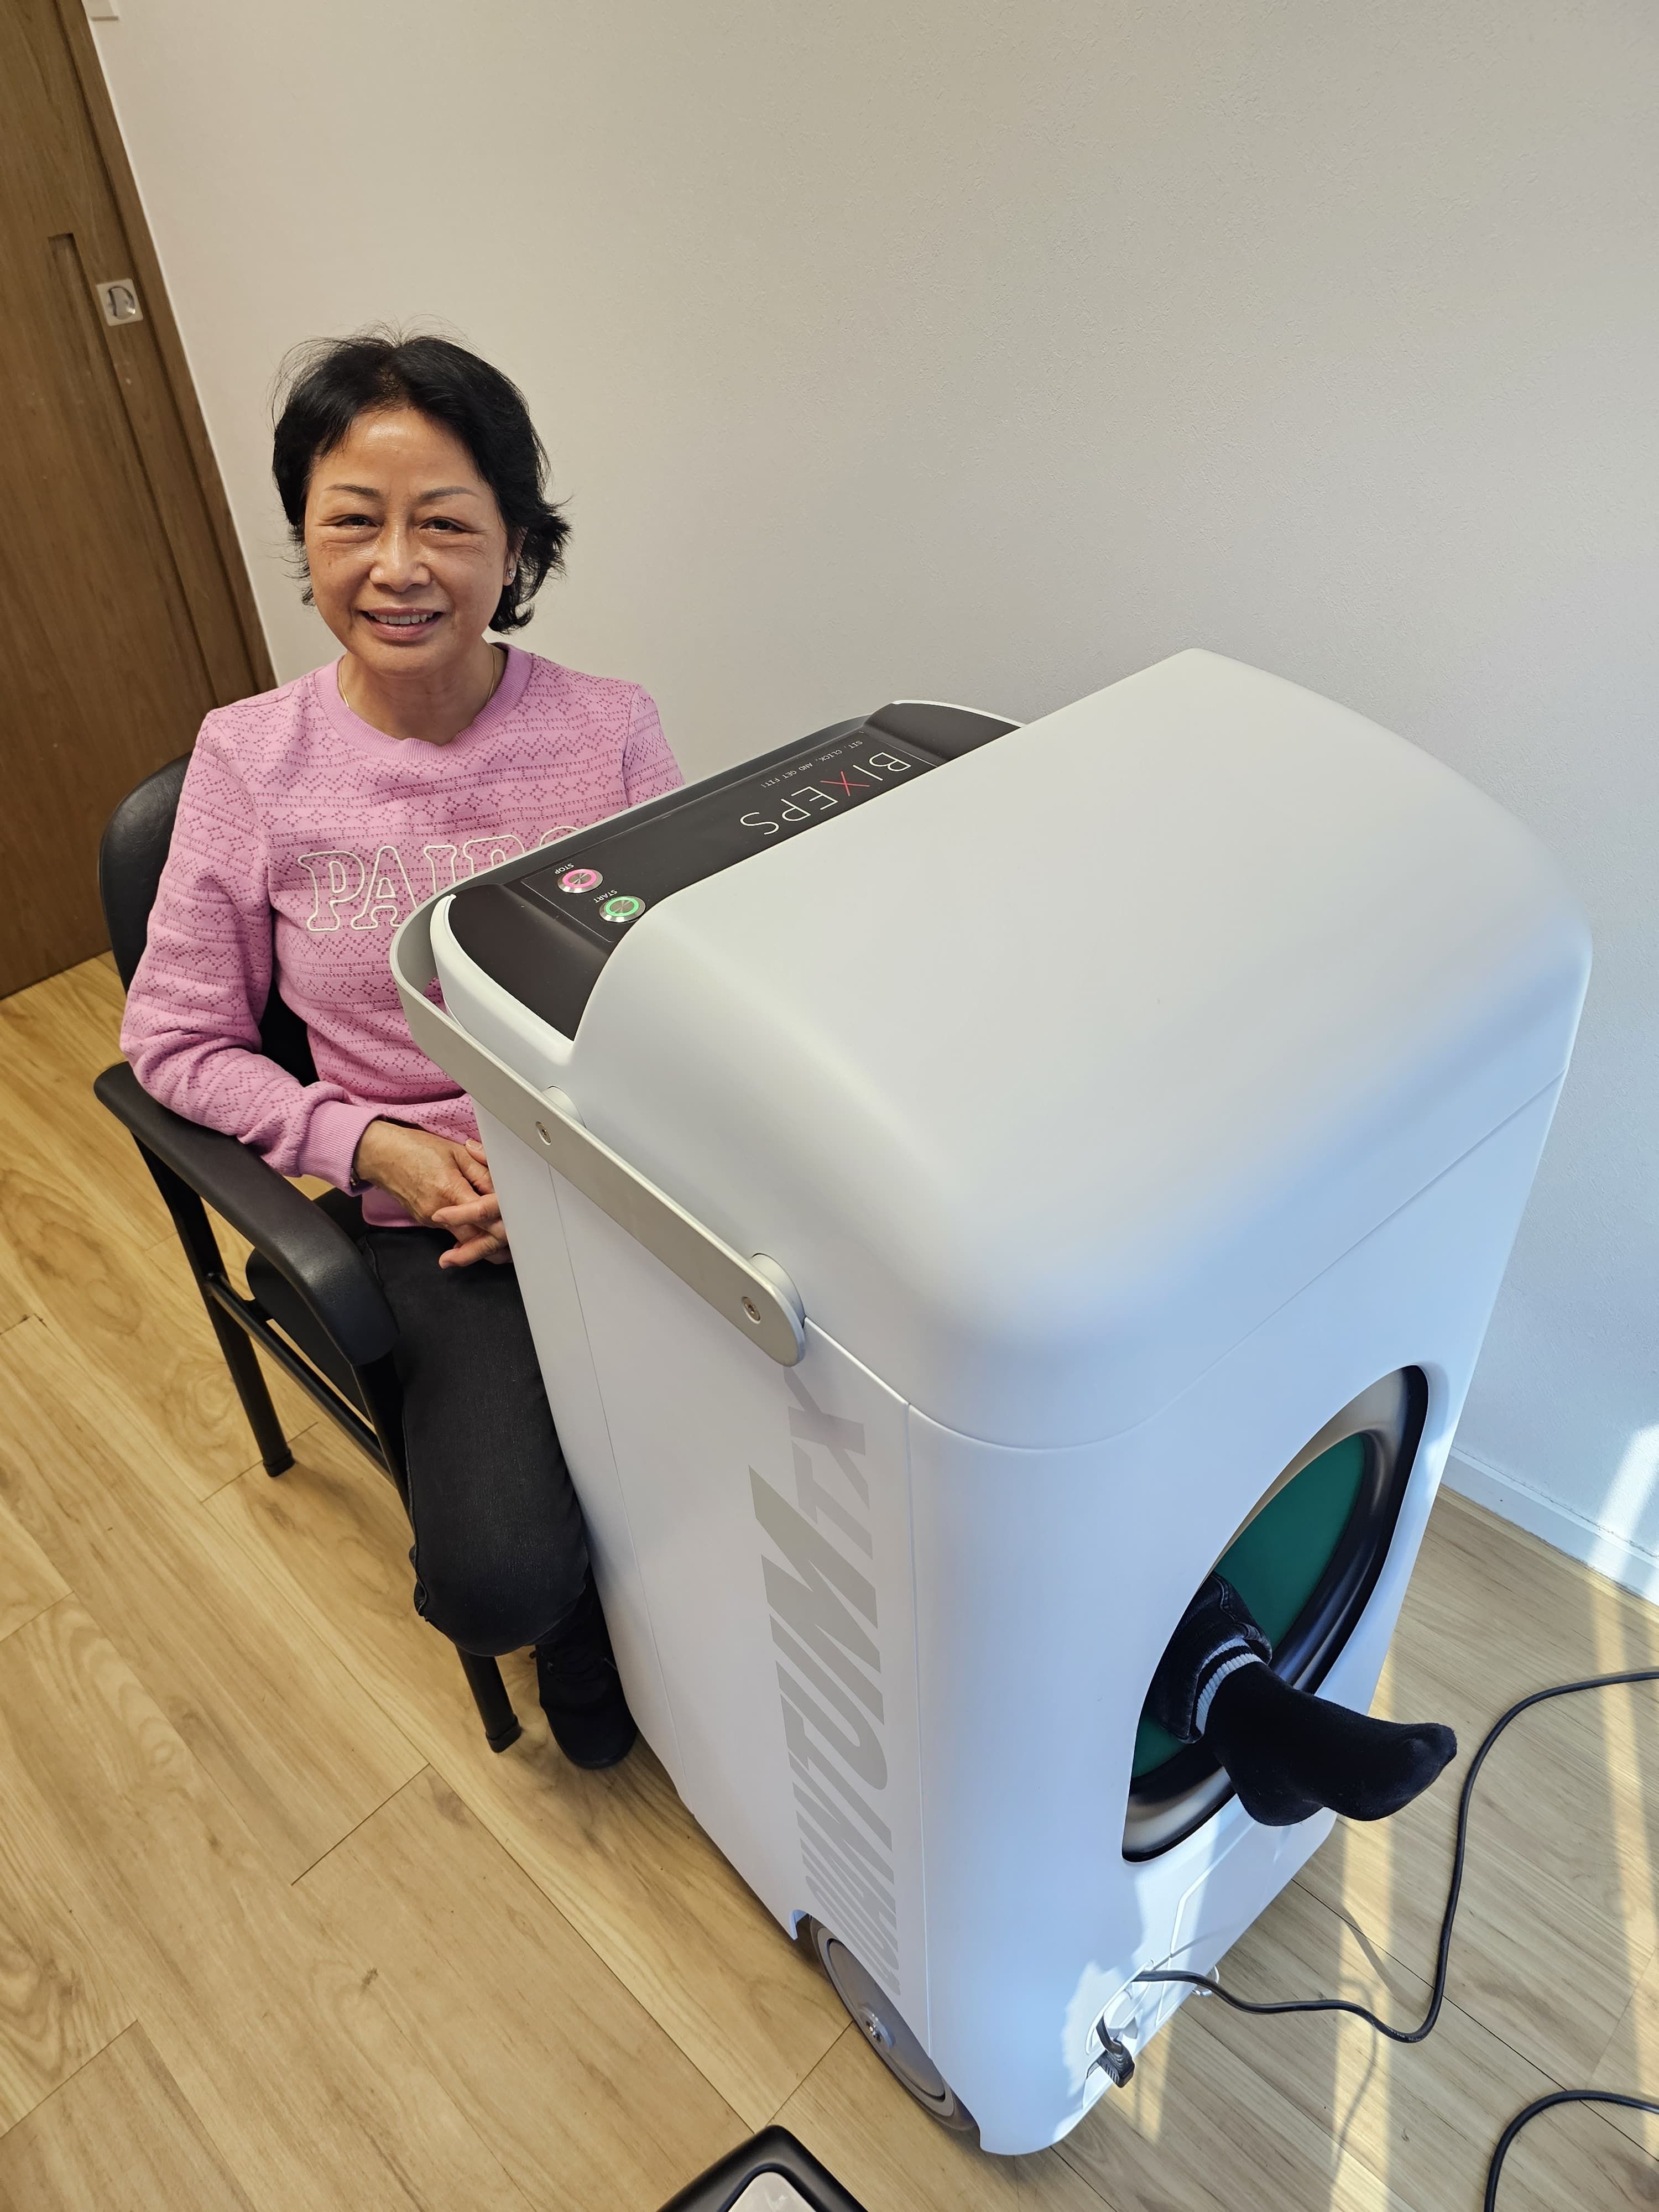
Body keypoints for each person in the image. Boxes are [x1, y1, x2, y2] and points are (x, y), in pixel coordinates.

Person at [121, 331, 679, 1768]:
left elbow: (685, 992)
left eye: (445, 522)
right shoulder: (252, 762)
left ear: (517, 542)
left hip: (617, 1176)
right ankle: (584, 1618)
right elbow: (173, 1039)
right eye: (353, 522)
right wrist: (370, 1149)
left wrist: (585, 1169)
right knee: (500, 1582)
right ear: (304, 540)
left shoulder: (611, 731)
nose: (398, 566)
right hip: (431, 1217)